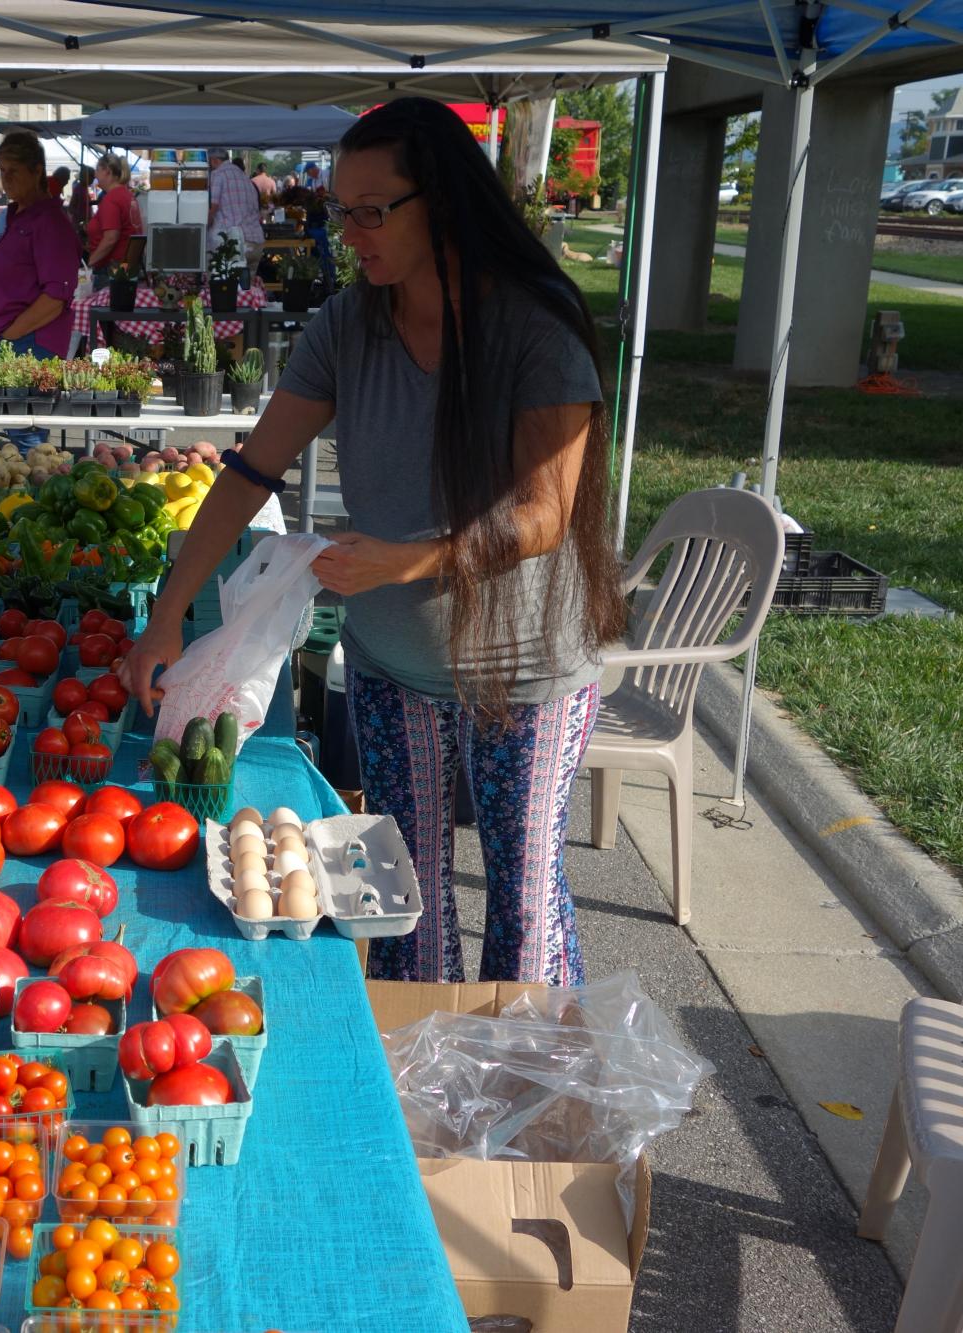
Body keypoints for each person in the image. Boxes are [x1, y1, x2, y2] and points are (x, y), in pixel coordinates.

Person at [121, 97, 623, 989]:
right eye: (336, 212)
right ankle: (424, 1100)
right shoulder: (350, 324)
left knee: (525, 905)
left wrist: (408, 557)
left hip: (529, 670)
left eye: (368, 211)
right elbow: (249, 472)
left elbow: (544, 514)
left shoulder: (534, 325)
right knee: (398, 899)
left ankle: (538, 1114)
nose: (346, 233)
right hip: (393, 666)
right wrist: (166, 617)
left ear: (442, 202)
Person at [0, 129, 80, 361]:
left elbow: (56, 297)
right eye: (2, 170)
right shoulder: (18, 215)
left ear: (37, 171)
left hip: (28, 348)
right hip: (10, 345)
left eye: (14, 171)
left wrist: (8, 338)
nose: (6, 178)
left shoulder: (50, 222)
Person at [207, 148, 264, 273]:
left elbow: (214, 207)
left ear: (214, 160)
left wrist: (205, 224)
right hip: (256, 242)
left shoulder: (217, 174)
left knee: (223, 286)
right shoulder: (244, 176)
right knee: (248, 288)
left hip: (235, 243)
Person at [83, 153, 141, 275]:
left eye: (97, 170)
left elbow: (110, 238)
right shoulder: (127, 195)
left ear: (107, 172)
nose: (95, 175)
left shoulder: (112, 199)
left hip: (111, 269)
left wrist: (90, 263)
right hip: (125, 267)